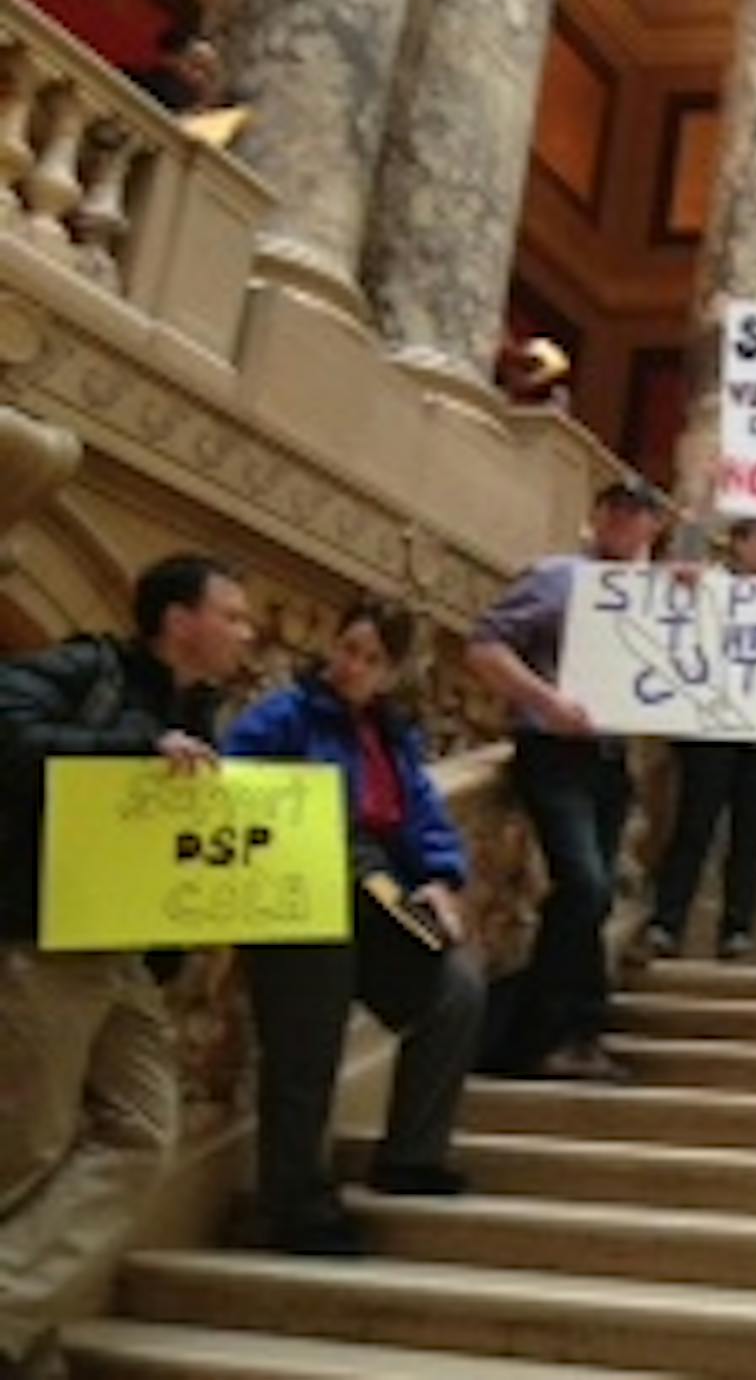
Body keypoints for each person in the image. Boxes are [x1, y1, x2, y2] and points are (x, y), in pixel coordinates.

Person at [0, 554, 254, 1378]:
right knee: (26, 1147)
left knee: (143, 1131)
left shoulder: (203, 710)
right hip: (39, 936)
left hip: (121, 950)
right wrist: (137, 747)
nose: (248, 633)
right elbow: (9, 731)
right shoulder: (90, 669)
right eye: (232, 616)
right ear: (180, 621)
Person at [224, 599, 484, 1256]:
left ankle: (411, 1155)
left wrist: (441, 878)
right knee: (307, 1042)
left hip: (376, 888)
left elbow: (424, 816)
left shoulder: (394, 737)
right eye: (348, 650)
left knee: (455, 989)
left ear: (392, 672)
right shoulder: (286, 715)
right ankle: (297, 1203)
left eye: (371, 659)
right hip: (298, 886)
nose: (353, 667)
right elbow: (231, 779)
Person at [468, 478, 667, 1082]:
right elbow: (484, 646)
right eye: (617, 510)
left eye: (638, 514)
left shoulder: (651, 593)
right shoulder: (556, 578)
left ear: (652, 527)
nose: (625, 522)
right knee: (584, 884)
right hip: (552, 752)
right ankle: (541, 1033)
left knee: (596, 893)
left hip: (609, 759)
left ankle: (570, 1031)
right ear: (598, 515)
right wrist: (545, 701)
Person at [644, 517, 756, 962]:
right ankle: (668, 920)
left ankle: (738, 926)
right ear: (738, 544)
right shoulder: (706, 584)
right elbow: (666, 590)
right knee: (694, 825)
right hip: (709, 729)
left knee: (751, 832)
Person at [127, 25, 224, 116]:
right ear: (169, 59)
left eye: (211, 75)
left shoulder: (217, 113)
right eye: (196, 66)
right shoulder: (143, 87)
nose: (201, 78)